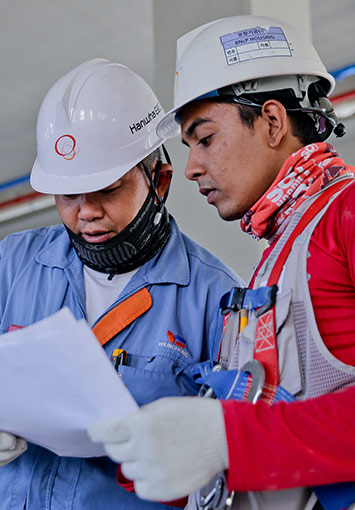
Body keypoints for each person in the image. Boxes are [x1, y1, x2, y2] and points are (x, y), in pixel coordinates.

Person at [88, 16, 355, 510]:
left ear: (273, 122)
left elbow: (253, 438)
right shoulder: (277, 259)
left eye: (204, 138)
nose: (190, 168)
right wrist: (153, 453)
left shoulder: (346, 213)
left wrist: (229, 438)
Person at [0, 58, 243, 510]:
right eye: (69, 194)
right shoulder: (12, 265)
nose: (85, 212)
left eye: (108, 189)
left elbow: (236, 467)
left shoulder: (218, 301)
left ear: (160, 180)